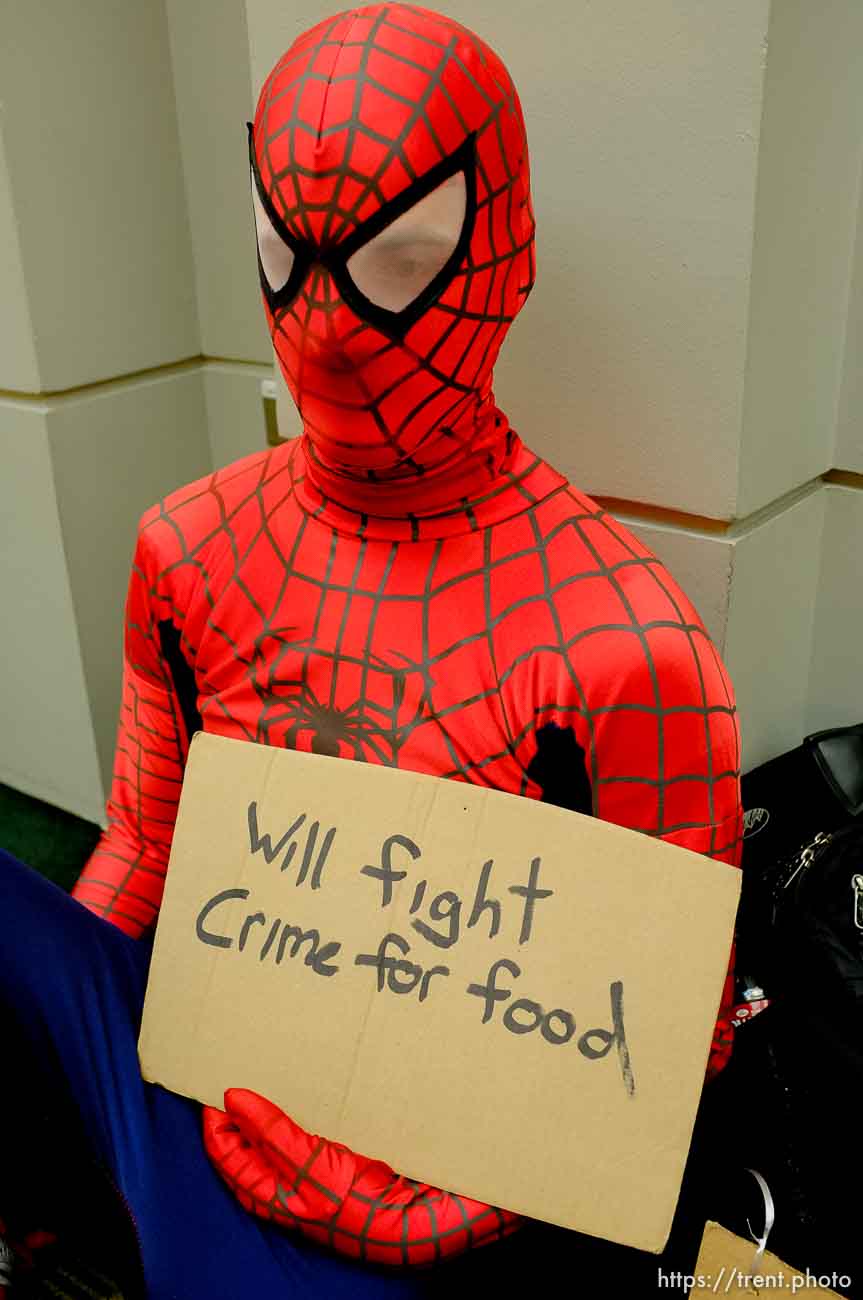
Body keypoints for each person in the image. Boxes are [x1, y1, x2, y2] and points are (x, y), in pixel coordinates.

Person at [1, 4, 741, 1294]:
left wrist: (440, 1211)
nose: (332, 326)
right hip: (193, 1096)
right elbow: (141, 846)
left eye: (401, 261)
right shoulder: (189, 548)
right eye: (287, 255)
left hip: (426, 1219)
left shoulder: (626, 646)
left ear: (502, 257)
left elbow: (665, 1049)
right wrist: (68, 1058)